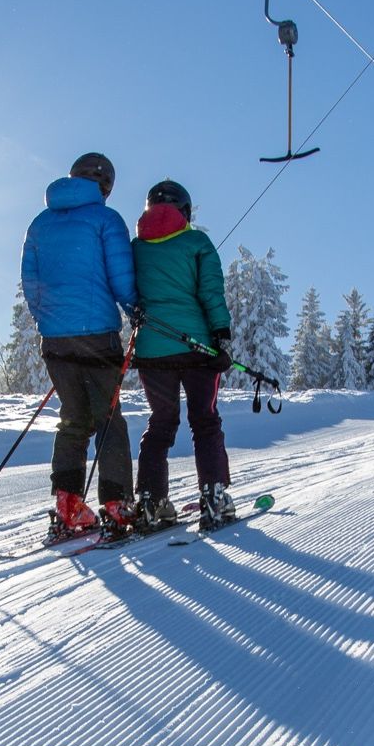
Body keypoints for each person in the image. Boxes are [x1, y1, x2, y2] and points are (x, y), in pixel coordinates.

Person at [21, 152, 138, 537]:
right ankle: (117, 503)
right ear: (104, 184)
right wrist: (135, 309)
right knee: (108, 419)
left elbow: (31, 283)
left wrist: (48, 321)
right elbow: (120, 277)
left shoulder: (40, 223)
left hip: (55, 340)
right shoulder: (106, 219)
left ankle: (68, 504)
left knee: (72, 420)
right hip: (98, 336)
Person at [130, 179, 236, 530]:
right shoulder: (197, 242)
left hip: (152, 349)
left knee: (161, 423)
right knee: (204, 421)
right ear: (185, 211)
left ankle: (149, 501)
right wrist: (221, 337)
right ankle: (215, 497)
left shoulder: (135, 248)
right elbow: (211, 293)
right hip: (198, 350)